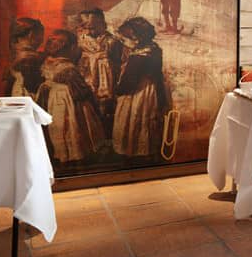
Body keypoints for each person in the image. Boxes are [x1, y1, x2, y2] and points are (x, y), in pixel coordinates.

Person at [35, 29, 106, 164]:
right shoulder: (68, 68)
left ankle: (63, 154)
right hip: (68, 100)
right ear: (71, 48)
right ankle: (75, 154)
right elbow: (81, 91)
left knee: (60, 126)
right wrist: (93, 100)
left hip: (53, 99)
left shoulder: (48, 62)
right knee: (73, 126)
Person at [113, 16, 167, 159]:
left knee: (133, 120)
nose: (123, 43)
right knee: (145, 120)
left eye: (125, 39)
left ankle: (133, 152)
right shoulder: (154, 49)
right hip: (150, 90)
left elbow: (129, 82)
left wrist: (118, 91)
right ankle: (144, 150)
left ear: (136, 38)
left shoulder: (139, 57)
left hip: (137, 93)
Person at [77, 8, 123, 129]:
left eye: (93, 27)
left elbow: (118, 61)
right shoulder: (81, 40)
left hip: (106, 75)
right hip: (87, 72)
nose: (90, 31)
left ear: (103, 24)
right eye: (87, 27)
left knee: (105, 102)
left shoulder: (112, 41)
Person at [3, 17, 45, 98]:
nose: (42, 40)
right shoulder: (31, 59)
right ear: (31, 34)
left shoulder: (15, 54)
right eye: (41, 35)